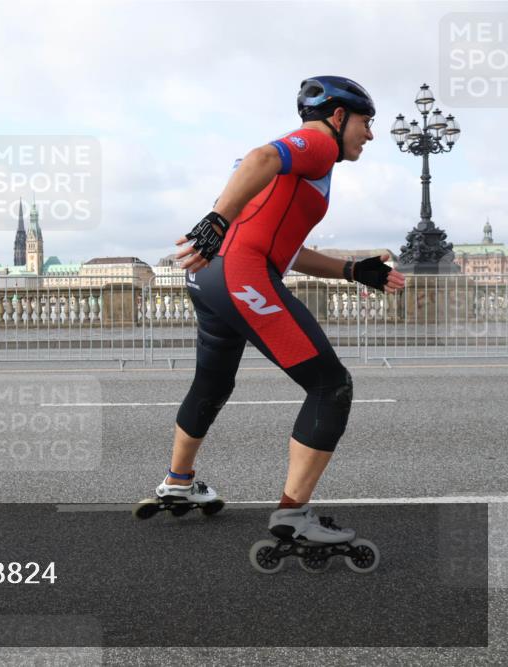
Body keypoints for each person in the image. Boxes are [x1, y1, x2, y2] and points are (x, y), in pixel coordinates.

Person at [157, 76, 406, 543]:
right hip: (240, 274)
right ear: (338, 117)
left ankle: (178, 482)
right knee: (331, 386)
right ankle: (293, 515)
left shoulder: (301, 167)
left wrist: (352, 270)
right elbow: (261, 158)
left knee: (212, 383)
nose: (369, 135)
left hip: (210, 276)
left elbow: (286, 250)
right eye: (366, 123)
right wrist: (216, 218)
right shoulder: (317, 144)